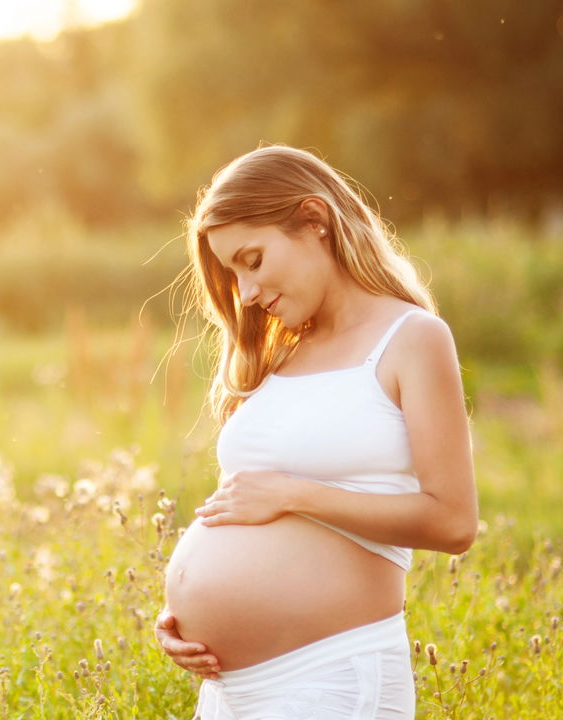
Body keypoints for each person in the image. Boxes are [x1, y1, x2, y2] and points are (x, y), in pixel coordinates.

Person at [154, 145, 478, 719]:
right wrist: (182, 615)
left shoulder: (412, 338)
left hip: (330, 679)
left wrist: (293, 494)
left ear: (314, 219)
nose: (246, 292)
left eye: (252, 260)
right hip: (229, 692)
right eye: (233, 273)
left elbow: (452, 522)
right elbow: (244, 502)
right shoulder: (279, 356)